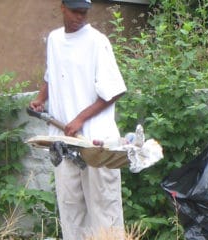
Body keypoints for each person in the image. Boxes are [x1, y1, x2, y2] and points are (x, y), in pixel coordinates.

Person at [28, 0, 127, 238]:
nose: (80, 17)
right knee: (71, 208)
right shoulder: (54, 39)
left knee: (104, 209)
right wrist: (41, 98)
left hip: (95, 142)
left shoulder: (97, 42)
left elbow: (114, 90)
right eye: (75, 11)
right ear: (62, 7)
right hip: (63, 141)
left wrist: (80, 119)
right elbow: (52, 75)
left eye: (84, 12)